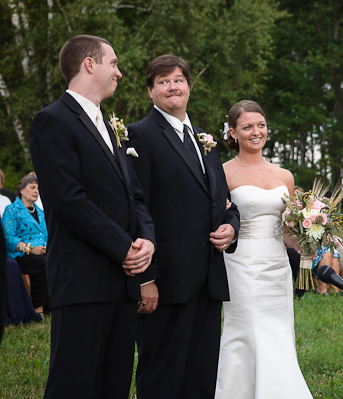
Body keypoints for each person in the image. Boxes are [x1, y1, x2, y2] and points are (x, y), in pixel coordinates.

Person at [29, 35, 156, 399]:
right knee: (74, 384)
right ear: (89, 64)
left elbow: (134, 194)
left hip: (122, 282)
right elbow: (68, 199)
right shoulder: (52, 121)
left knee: (114, 384)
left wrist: (146, 239)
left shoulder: (110, 128)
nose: (119, 72)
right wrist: (124, 247)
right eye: (112, 63)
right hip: (82, 280)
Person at [126, 54, 240, 399]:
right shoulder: (138, 136)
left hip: (208, 280)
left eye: (178, 79)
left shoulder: (205, 140)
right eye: (163, 81)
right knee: (162, 375)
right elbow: (133, 207)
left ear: (189, 87)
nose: (172, 86)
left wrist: (231, 228)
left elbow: (224, 201)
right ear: (150, 92)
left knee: (201, 375)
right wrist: (147, 278)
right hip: (166, 282)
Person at [215, 100, 312, 399]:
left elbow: (287, 230)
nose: (256, 132)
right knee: (243, 330)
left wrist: (312, 235)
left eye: (261, 125)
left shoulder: (284, 176)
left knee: (278, 331)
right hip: (240, 262)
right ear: (233, 132)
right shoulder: (222, 172)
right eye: (247, 127)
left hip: (277, 264)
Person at [1, 174, 49, 313]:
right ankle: (38, 308)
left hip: (43, 251)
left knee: (56, 260)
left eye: (38, 189)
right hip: (20, 254)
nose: (36, 191)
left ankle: (53, 305)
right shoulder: (12, 210)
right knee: (43, 263)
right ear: (21, 190)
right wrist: (30, 248)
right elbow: (8, 239)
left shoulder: (40, 212)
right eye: (32, 187)